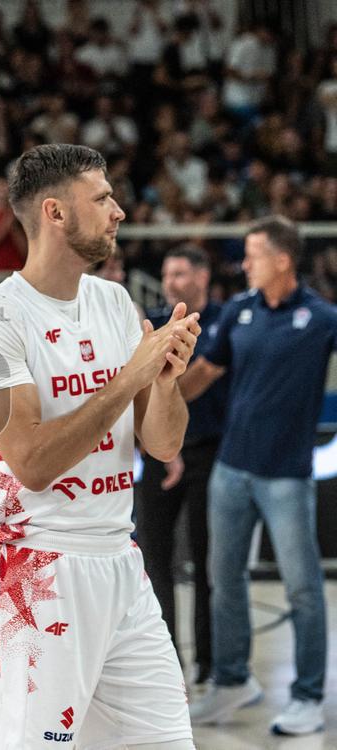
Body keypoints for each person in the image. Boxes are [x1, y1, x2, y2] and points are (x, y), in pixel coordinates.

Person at [0, 143, 200, 749]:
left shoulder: (113, 302)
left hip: (120, 559)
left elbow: (163, 443)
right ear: (54, 213)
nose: (118, 211)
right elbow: (33, 463)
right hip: (34, 571)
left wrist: (164, 383)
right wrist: (130, 378)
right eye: (102, 198)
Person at [183, 216, 335, 736]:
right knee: (222, 580)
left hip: (287, 477)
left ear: (283, 259)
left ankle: (309, 695)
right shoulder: (239, 311)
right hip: (231, 470)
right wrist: (154, 400)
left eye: (253, 254)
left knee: (303, 589)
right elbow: (204, 373)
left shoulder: (321, 319)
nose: (244, 264)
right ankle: (231, 682)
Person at [136, 244, 227, 687]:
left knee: (208, 563)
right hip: (157, 454)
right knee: (156, 561)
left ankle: (208, 667)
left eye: (180, 273)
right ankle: (164, 664)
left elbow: (184, 384)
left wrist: (174, 380)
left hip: (209, 452)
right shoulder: (155, 322)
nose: (171, 281)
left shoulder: (223, 320)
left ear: (203, 276)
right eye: (167, 273)